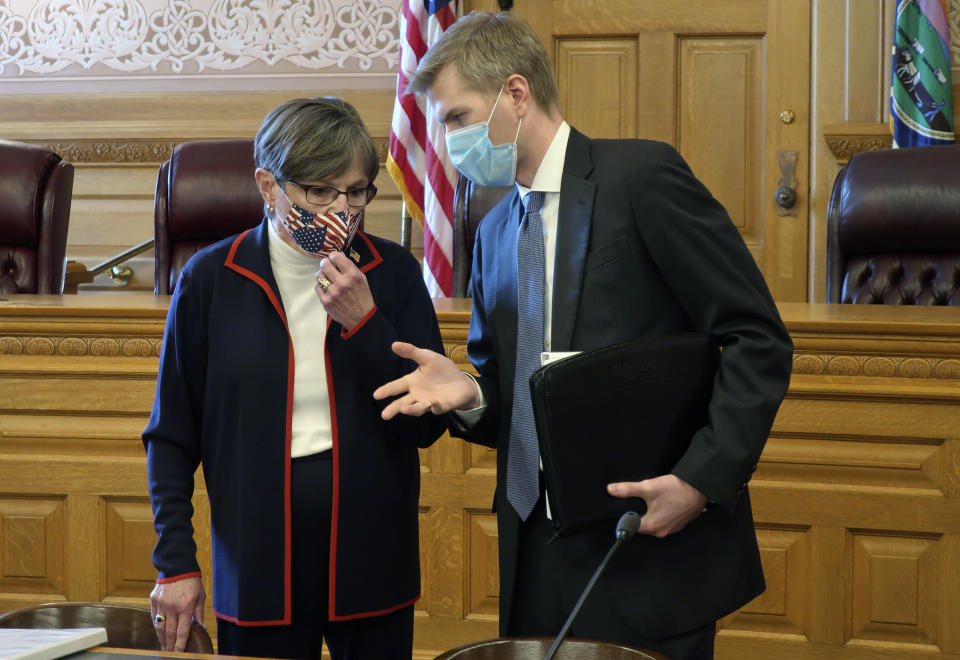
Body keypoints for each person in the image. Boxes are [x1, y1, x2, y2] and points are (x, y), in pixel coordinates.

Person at [373, 12, 793, 660]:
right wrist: (470, 395)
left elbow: (756, 337)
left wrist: (700, 481)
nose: (448, 142)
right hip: (537, 556)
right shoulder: (491, 234)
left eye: (457, 118)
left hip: (650, 537)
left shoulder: (641, 180)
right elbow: (515, 396)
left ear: (516, 94)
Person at [143, 97, 446, 660]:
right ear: (267, 185)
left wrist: (366, 324)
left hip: (371, 553)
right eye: (319, 192)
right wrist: (175, 561)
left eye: (356, 192)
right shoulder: (211, 279)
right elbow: (171, 435)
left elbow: (426, 429)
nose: (340, 210)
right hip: (258, 559)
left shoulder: (395, 273)